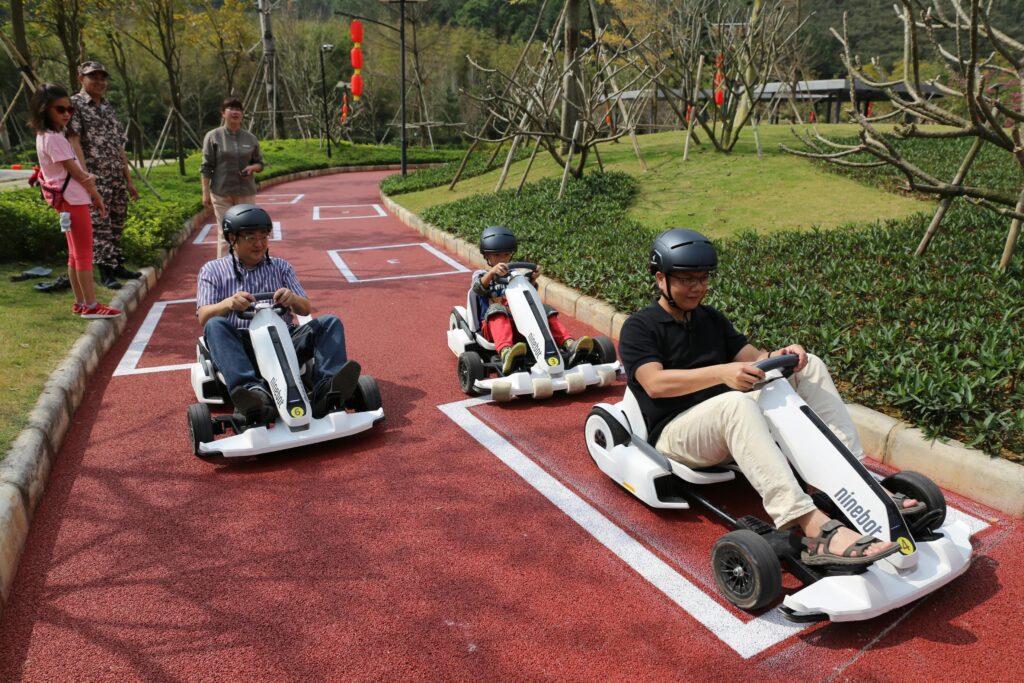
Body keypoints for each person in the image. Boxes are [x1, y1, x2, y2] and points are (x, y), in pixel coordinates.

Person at [618, 228, 922, 567]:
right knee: (735, 403)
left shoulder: (711, 319)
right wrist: (721, 373)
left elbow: (754, 356)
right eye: (688, 279)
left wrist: (783, 355)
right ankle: (811, 525)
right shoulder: (640, 327)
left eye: (703, 278)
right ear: (661, 278)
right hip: (677, 434)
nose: (698, 287)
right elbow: (655, 383)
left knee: (809, 367)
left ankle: (854, 479)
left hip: (731, 417)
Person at [196, 204, 359, 423]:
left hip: (285, 338)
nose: (259, 243)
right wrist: (228, 303)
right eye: (250, 237)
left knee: (330, 322)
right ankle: (253, 393)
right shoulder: (212, 270)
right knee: (215, 325)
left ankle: (327, 388)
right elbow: (203, 316)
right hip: (243, 345)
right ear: (232, 238)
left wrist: (291, 298)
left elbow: (305, 308)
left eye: (264, 236)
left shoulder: (281, 267)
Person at [29, 82, 121, 320]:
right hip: (73, 199)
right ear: (44, 109)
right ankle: (91, 305)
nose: (67, 114)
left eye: (70, 109)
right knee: (83, 254)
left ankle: (81, 302)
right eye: (60, 109)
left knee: (74, 253)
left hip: (65, 201)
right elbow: (78, 173)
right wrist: (98, 197)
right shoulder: (55, 138)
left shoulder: (44, 136)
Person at [472, 225, 592, 375]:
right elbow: (477, 288)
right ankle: (506, 352)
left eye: (506, 254)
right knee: (498, 309)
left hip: (523, 325)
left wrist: (532, 279)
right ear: (487, 256)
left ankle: (569, 344)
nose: (502, 259)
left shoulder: (516, 274)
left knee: (544, 309)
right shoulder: (481, 274)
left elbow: (528, 295)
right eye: (497, 255)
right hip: (492, 326)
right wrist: (491, 273)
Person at [67, 60, 141, 291]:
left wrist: (128, 179)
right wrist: (84, 176)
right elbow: (74, 140)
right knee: (100, 223)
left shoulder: (107, 106)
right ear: (81, 78)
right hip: (95, 177)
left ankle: (117, 263)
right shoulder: (74, 105)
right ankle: (105, 271)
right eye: (93, 77)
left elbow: (120, 145)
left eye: (103, 78)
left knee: (117, 220)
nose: (99, 82)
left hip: (115, 177)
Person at [200, 98, 264, 258]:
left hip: (246, 192)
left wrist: (252, 168)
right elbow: (206, 166)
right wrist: (205, 192)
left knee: (246, 231)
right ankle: (224, 271)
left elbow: (260, 163)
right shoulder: (213, 136)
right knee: (226, 232)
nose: (235, 112)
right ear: (223, 113)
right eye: (230, 109)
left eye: (238, 109)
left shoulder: (250, 138)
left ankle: (246, 268)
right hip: (221, 193)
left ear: (242, 114)